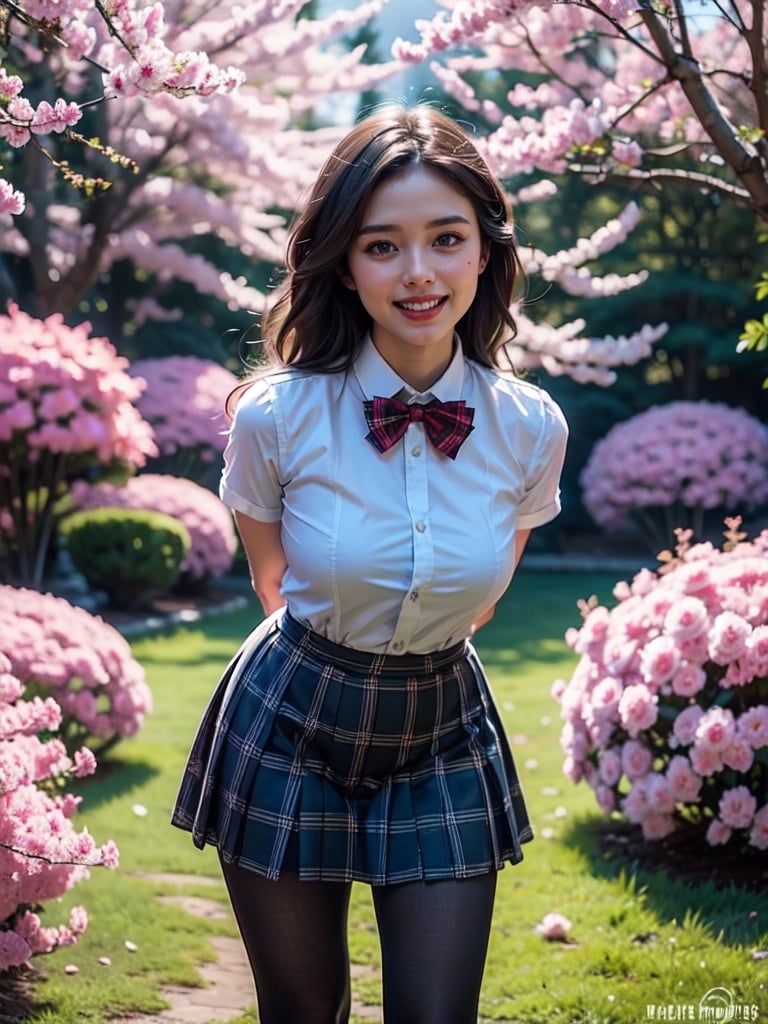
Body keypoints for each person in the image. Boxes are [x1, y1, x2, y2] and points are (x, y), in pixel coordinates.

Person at [171, 103, 568, 1024]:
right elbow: (275, 584)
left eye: (446, 238)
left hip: (442, 725)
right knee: (305, 1013)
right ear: (345, 264)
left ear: (485, 251)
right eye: (382, 246)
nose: (419, 272)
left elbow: (480, 597)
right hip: (293, 714)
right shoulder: (276, 417)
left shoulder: (529, 427)